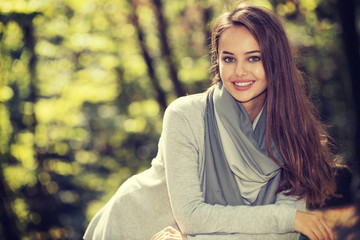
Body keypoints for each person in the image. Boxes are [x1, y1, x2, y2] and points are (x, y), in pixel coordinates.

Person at [83, 4, 336, 240]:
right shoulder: (185, 115)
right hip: (137, 224)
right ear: (218, 60)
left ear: (275, 61)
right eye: (229, 58)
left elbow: (281, 235)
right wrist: (287, 219)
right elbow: (192, 218)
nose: (239, 71)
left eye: (253, 58)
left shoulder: (294, 132)